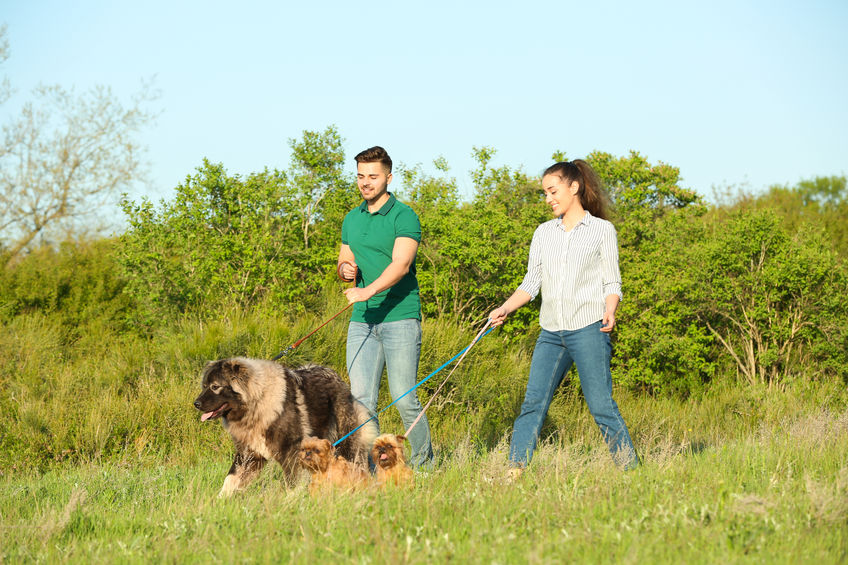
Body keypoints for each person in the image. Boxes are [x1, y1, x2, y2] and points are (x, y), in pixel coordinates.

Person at [488, 159, 639, 473]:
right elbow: (532, 283)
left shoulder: (601, 230)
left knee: (601, 407)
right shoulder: (543, 233)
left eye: (552, 191)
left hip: (589, 330)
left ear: (574, 187)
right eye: (545, 193)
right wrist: (504, 307)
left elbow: (612, 281)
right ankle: (514, 471)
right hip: (551, 333)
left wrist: (610, 310)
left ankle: (631, 472)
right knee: (533, 404)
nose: (548, 199)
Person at [337, 146, 434, 469]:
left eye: (373, 177)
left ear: (388, 178)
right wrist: (346, 271)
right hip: (362, 321)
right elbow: (344, 261)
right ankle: (373, 470)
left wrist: (368, 290)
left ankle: (424, 467)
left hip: (400, 317)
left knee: (405, 398)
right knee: (361, 403)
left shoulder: (404, 216)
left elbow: (401, 265)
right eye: (361, 176)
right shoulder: (352, 218)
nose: (366, 183)